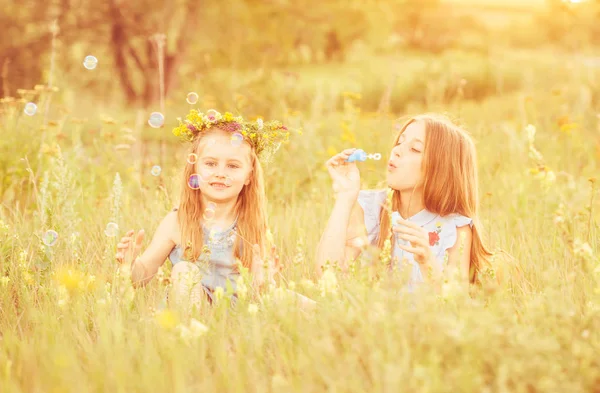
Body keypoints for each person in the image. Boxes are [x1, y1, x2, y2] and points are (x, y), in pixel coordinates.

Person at [115, 110, 290, 310]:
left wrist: (264, 282)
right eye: (210, 163)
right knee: (184, 270)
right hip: (192, 312)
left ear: (249, 176)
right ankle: (191, 338)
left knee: (300, 301)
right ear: (195, 169)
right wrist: (130, 265)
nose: (220, 173)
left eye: (233, 166)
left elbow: (261, 290)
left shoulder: (252, 225)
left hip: (236, 314)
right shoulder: (178, 221)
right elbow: (141, 276)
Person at [316, 113, 494, 289]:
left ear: (441, 169)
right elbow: (327, 275)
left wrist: (427, 263)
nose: (397, 150)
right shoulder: (370, 208)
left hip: (422, 318)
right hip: (370, 316)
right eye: (400, 142)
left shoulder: (454, 228)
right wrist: (345, 197)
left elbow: (455, 302)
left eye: (415, 149)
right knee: (290, 298)